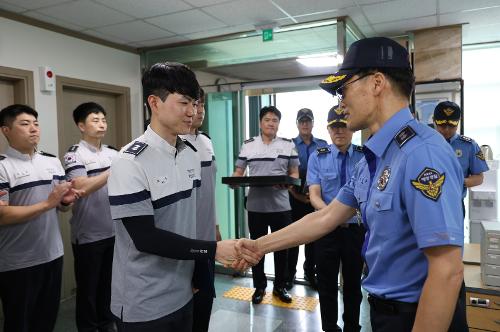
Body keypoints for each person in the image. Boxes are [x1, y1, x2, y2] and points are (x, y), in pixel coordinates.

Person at [235, 37, 468, 332]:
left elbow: (447, 270)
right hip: (388, 312)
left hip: (422, 314)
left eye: (343, 89)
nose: (341, 103)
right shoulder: (374, 158)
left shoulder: (423, 154)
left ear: (377, 82)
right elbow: (327, 216)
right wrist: (258, 245)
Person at [107, 62, 251, 331]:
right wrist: (213, 250)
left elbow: (192, 219)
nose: (193, 112)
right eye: (184, 103)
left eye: (195, 104)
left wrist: (198, 272)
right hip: (144, 303)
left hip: (183, 293)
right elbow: (145, 238)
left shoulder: (190, 154)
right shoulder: (129, 161)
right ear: (154, 102)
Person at [0, 104, 80, 332]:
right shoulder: (3, 166)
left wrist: (65, 201)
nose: (33, 129)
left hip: (52, 255)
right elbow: (2, 215)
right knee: (19, 323)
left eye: (36, 124)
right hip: (17, 262)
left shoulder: (52, 161)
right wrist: (48, 203)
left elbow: (62, 206)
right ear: (6, 130)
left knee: (46, 321)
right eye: (25, 124)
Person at [232, 105, 299, 304]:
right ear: (260, 123)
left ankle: (280, 286)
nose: (271, 123)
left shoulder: (288, 145)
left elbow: (294, 173)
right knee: (255, 248)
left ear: (279, 124)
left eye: (275, 120)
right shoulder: (248, 145)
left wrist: (288, 183)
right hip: (256, 207)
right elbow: (238, 172)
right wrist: (234, 183)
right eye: (267, 120)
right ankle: (259, 286)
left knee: (282, 248)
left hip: (281, 207)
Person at [307, 105, 364, 332]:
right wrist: (333, 217)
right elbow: (314, 196)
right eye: (334, 127)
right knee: (326, 283)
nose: (339, 131)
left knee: (353, 285)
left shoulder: (364, 157)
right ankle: (329, 327)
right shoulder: (317, 157)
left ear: (351, 128)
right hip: (326, 230)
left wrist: (345, 216)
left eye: (343, 126)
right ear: (328, 130)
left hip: (354, 230)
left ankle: (352, 327)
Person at [63, 102, 118, 332]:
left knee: (109, 285)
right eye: (95, 120)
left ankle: (107, 324)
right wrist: (112, 171)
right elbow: (81, 187)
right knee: (88, 289)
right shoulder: (74, 155)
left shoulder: (113, 153)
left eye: (103, 119)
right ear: (81, 125)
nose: (101, 124)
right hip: (88, 234)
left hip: (114, 230)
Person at [179, 88, 221, 332]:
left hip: (206, 235)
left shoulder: (206, 141)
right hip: (185, 238)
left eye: (202, 103)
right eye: (194, 103)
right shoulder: (175, 144)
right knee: (186, 303)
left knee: (205, 298)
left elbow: (210, 192)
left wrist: (215, 225)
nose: (199, 109)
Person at [287, 108, 327, 290]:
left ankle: (311, 273)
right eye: (301, 121)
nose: (305, 124)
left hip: (316, 199)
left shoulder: (323, 144)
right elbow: (286, 173)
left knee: (313, 238)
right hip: (294, 199)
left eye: (308, 121)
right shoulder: (289, 145)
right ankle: (289, 275)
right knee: (293, 238)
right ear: (297, 123)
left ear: (312, 123)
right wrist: (297, 195)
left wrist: (313, 198)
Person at [433, 101, 489, 216]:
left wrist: (459, 182)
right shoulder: (425, 144)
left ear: (458, 122)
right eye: (442, 124)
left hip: (455, 206)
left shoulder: (469, 146)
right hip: (429, 204)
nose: (447, 129)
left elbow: (479, 178)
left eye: (452, 125)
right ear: (434, 121)